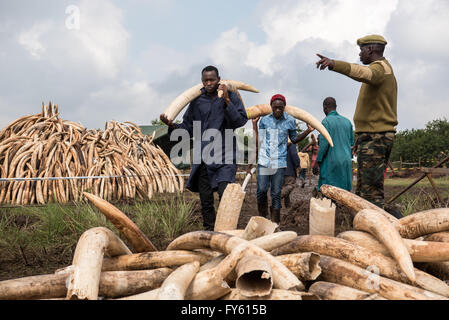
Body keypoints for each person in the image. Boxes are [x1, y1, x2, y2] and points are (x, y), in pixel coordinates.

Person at [315, 34, 398, 210]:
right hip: (370, 136)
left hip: (376, 137)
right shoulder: (381, 70)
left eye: (361, 50)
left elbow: (362, 72)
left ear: (370, 49)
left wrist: (334, 64)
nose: (360, 54)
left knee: (370, 193)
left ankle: (378, 228)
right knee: (364, 190)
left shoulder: (380, 69)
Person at [160, 66, 248, 230]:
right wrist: (172, 125)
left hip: (225, 154)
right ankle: (210, 232)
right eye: (205, 80)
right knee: (206, 199)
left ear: (218, 79)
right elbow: (188, 127)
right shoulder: (197, 101)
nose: (208, 83)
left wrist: (227, 100)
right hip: (203, 156)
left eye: (212, 80)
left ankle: (226, 231)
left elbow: (240, 121)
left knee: (224, 195)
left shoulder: (231, 97)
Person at [250, 94, 314, 223]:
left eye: (280, 107)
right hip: (264, 160)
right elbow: (259, 141)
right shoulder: (264, 120)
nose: (278, 110)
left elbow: (294, 139)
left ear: (284, 107)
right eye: (275, 107)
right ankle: (263, 217)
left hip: (279, 161)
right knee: (261, 190)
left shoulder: (290, 120)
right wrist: (254, 125)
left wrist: (308, 131)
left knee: (276, 193)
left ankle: (275, 222)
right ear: (271, 107)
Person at [313, 97, 354, 191]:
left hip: (331, 162)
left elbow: (324, 145)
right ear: (336, 106)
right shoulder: (347, 122)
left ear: (324, 108)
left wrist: (317, 162)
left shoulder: (326, 121)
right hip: (346, 161)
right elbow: (351, 144)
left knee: (329, 191)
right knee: (345, 192)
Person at [281, 141, 300, 209]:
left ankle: (288, 205)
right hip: (289, 170)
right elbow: (294, 154)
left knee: (285, 187)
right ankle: (278, 196)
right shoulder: (292, 143)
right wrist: (298, 164)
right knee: (290, 185)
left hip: (279, 170)